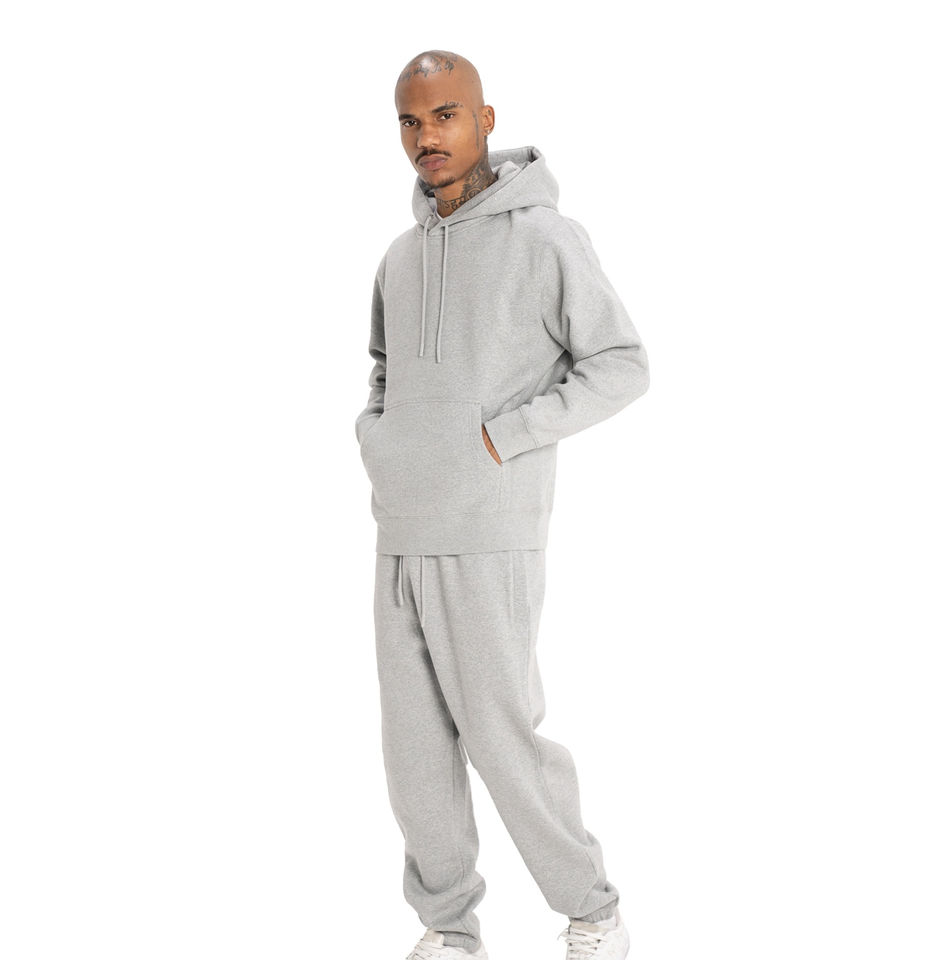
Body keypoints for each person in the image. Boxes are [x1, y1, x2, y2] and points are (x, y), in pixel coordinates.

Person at [355, 49, 649, 960]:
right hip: (401, 530)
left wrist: (507, 436)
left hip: (489, 533)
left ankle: (593, 912)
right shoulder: (399, 259)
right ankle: (449, 930)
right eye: (410, 121)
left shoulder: (546, 240)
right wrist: (379, 439)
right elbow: (383, 374)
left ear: (485, 118)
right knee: (414, 754)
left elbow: (621, 364)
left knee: (502, 738)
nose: (426, 137)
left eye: (444, 115)